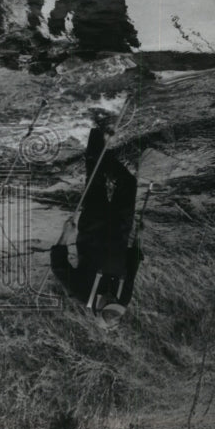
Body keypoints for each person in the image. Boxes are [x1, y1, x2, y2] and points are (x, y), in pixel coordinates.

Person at [50, 125, 142, 331]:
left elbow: (58, 266)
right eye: (115, 304)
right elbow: (132, 269)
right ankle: (102, 153)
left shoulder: (81, 293)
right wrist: (138, 241)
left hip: (94, 225)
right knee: (128, 182)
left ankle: (95, 133)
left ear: (98, 310)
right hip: (121, 227)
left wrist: (66, 235)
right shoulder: (123, 300)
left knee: (96, 182)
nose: (112, 299)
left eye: (108, 303)